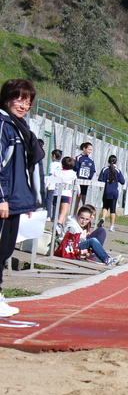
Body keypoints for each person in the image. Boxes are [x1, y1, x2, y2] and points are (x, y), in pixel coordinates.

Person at [0, 78, 44, 317]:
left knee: (6, 251)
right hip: (4, 200)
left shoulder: (21, 127)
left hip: (16, 200)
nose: (24, 105)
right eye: (19, 99)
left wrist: (28, 200)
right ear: (7, 98)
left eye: (28, 101)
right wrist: (1, 198)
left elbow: (23, 167)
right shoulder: (3, 124)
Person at [97, 155, 125, 232]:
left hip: (106, 191)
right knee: (113, 209)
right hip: (114, 192)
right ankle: (111, 226)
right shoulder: (117, 170)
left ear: (108, 161)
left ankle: (103, 217)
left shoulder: (104, 169)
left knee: (105, 206)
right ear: (116, 161)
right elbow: (122, 181)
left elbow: (100, 180)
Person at [52, 155, 77, 233]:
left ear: (62, 164)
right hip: (66, 193)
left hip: (56, 193)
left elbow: (53, 180)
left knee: (60, 212)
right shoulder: (73, 173)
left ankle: (63, 228)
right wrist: (72, 188)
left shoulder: (57, 171)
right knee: (64, 212)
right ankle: (58, 224)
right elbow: (74, 183)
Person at [73, 142, 95, 211]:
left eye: (91, 150)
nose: (90, 151)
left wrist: (89, 178)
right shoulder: (78, 158)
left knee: (84, 196)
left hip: (86, 181)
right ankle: (75, 212)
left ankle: (84, 211)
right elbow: (75, 168)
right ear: (84, 148)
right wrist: (74, 161)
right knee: (78, 196)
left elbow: (92, 170)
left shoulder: (91, 160)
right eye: (89, 149)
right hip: (78, 180)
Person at [45, 149, 62, 221]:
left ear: (54, 156)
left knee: (49, 200)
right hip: (58, 184)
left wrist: (47, 184)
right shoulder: (60, 164)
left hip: (52, 183)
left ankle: (48, 215)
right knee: (56, 201)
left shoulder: (52, 164)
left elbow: (51, 174)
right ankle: (54, 217)